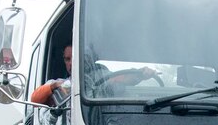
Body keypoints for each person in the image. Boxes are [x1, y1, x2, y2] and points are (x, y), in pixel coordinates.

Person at [31, 44, 159, 105]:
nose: (71, 63)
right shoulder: (58, 84)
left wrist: (140, 74)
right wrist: (53, 87)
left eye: (75, 58)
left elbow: (123, 78)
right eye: (67, 59)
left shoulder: (100, 76)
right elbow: (35, 99)